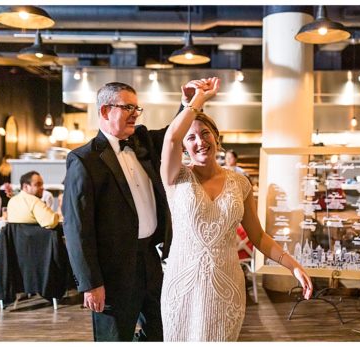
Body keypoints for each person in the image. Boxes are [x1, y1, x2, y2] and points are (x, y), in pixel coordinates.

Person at [158, 77, 312, 341]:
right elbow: (171, 138)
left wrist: (293, 265)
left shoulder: (240, 182)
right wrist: (197, 100)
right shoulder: (175, 176)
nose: (200, 141)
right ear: (185, 146)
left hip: (226, 285)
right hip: (182, 284)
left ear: (217, 138)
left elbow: (259, 237)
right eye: (191, 137)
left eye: (205, 133)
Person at [62, 80, 205, 341]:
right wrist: (91, 283)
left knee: (162, 330)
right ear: (105, 111)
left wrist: (188, 103)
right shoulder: (84, 160)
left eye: (137, 108)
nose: (135, 114)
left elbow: (172, 133)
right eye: (128, 107)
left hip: (150, 259)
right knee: (115, 338)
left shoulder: (141, 142)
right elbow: (76, 229)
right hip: (112, 270)